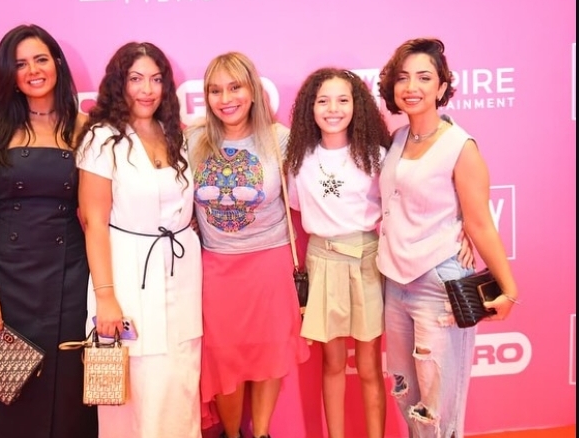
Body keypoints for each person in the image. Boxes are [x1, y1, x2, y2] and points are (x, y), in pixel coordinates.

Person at [376, 37, 519, 438]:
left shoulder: (460, 146)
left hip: (438, 286)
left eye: (424, 77)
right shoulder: (399, 139)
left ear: (441, 87)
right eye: (403, 77)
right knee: (407, 395)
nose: (412, 86)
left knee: (437, 410)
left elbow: (480, 223)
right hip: (395, 283)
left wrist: (508, 289)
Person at [0, 24, 97, 438]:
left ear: (57, 62)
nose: (33, 70)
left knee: (70, 395)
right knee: (7, 393)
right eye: (21, 64)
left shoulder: (84, 128)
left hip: (69, 276)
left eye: (41, 59)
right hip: (5, 279)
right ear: (9, 73)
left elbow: (95, 214)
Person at [75, 41, 203, 438]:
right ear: (120, 83)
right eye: (136, 79)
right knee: (138, 391)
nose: (147, 90)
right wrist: (106, 297)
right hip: (128, 276)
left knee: (181, 382)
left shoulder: (174, 133)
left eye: (156, 79)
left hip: (181, 274)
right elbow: (94, 222)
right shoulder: (102, 138)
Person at [186, 52, 310, 438]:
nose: (226, 99)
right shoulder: (192, 139)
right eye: (215, 90)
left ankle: (261, 433)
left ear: (253, 90)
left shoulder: (279, 139)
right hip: (216, 265)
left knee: (270, 352)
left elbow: (313, 192)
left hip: (269, 263)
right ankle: (232, 432)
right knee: (223, 358)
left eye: (235, 87)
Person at [285, 67, 392, 438]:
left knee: (369, 365)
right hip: (323, 260)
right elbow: (295, 205)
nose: (333, 109)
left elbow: (393, 206)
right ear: (310, 108)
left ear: (357, 105)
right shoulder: (299, 160)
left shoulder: (376, 156)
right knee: (331, 364)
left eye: (343, 100)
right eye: (323, 101)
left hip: (366, 259)